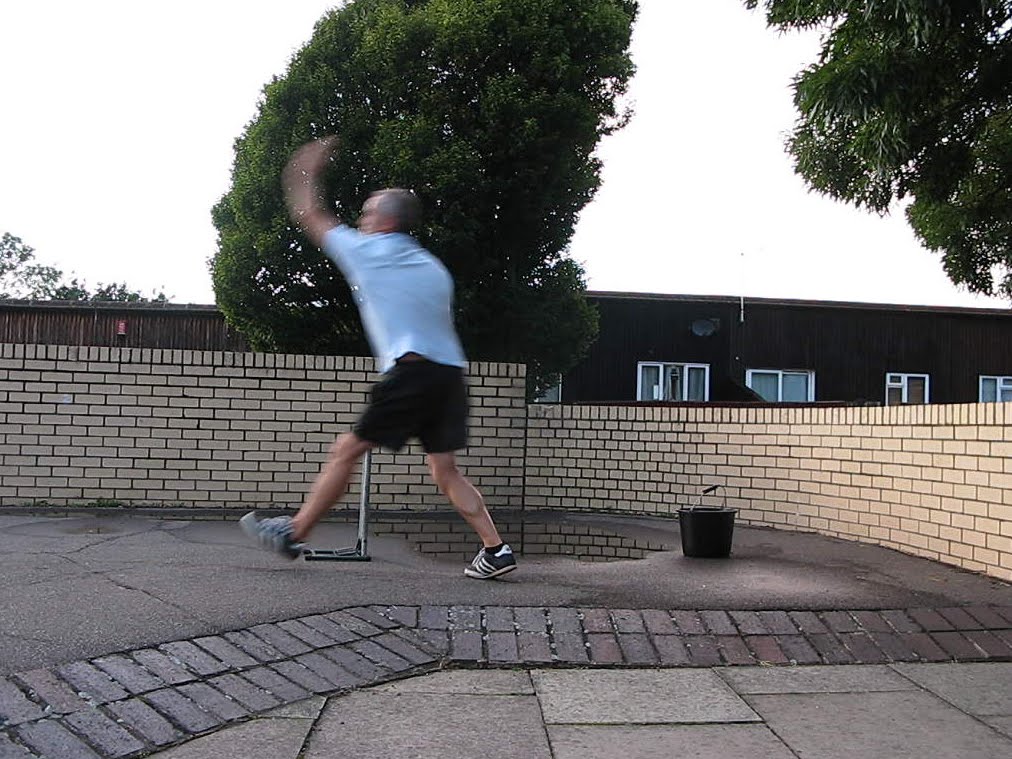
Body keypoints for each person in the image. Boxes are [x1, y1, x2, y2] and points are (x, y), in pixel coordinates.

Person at [239, 136, 517, 580]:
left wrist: (304, 167)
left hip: (413, 373)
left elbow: (309, 213)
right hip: (449, 375)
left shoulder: (369, 252)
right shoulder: (432, 266)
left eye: (367, 213)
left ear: (386, 221)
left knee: (346, 450)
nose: (361, 220)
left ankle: (294, 533)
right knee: (445, 470)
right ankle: (496, 549)